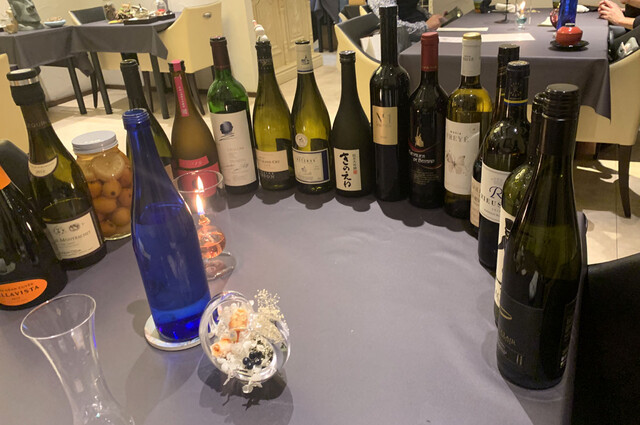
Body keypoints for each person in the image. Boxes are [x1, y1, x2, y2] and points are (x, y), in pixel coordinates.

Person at [368, 0, 445, 41]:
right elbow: (393, 26)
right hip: (406, 43)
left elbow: (413, 8)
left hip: (423, 34)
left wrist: (433, 18)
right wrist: (426, 27)